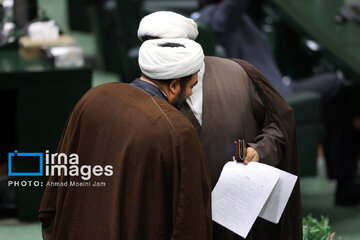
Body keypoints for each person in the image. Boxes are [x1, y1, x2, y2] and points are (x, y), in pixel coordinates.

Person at [138, 11, 302, 240]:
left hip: (240, 223)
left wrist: (259, 151)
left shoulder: (239, 75)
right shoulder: (141, 94)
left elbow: (279, 126)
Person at [38, 38, 212, 240]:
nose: (191, 93)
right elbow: (189, 219)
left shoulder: (93, 97)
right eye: (192, 85)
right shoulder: (177, 130)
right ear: (174, 85)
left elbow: (58, 181)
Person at [197, 0, 360, 206]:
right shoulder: (216, 15)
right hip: (271, 96)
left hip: (278, 87)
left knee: (332, 98)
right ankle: (346, 182)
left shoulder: (228, 17)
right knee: (335, 84)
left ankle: (345, 180)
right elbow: (231, 9)